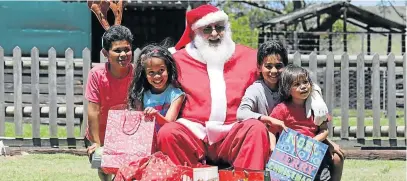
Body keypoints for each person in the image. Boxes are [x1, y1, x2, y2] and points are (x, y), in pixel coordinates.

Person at [156, 4, 331, 171]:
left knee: (256, 129)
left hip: (235, 133)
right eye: (207, 29)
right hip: (194, 133)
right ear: (195, 32)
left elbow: (288, 75)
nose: (215, 33)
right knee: (168, 133)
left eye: (220, 27)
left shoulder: (249, 56)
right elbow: (150, 78)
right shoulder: (177, 60)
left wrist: (315, 95)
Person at [270, 64, 343, 181]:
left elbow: (324, 130)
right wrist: (273, 148)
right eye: (297, 84)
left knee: (323, 176)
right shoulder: (282, 109)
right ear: (287, 89)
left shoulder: (317, 108)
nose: (303, 87)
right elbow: (271, 130)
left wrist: (311, 142)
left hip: (315, 151)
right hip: (291, 154)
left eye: (305, 82)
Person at [84, 25, 134, 180]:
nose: (123, 54)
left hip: (127, 134)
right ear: (105, 53)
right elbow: (93, 111)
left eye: (127, 49)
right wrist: (97, 144)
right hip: (101, 135)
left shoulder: (137, 73)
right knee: (105, 168)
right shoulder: (97, 75)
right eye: (117, 50)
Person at [127, 44, 185, 129]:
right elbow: (138, 123)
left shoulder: (176, 95)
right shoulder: (140, 95)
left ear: (168, 70)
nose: (157, 76)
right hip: (146, 139)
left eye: (161, 70)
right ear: (145, 74)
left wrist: (156, 116)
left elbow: (169, 124)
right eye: (151, 72)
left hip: (166, 139)